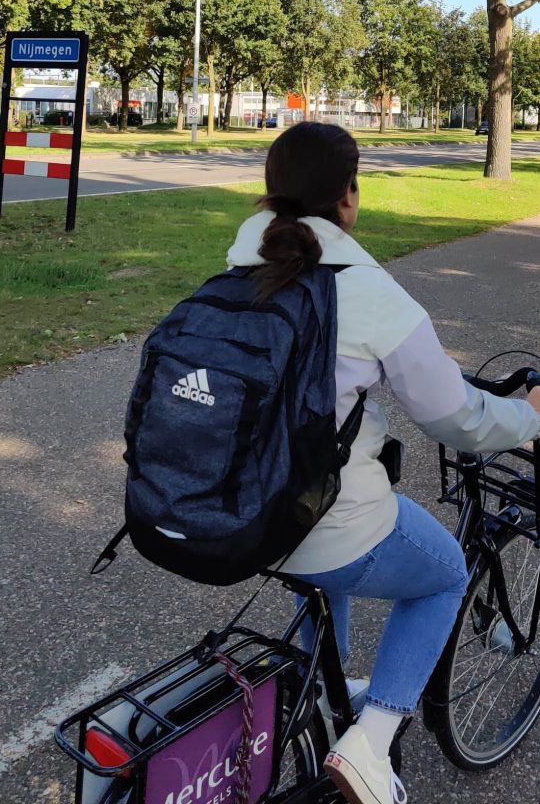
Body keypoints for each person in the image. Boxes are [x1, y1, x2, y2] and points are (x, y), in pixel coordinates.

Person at [226, 123, 540, 804]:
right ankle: (370, 743)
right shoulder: (368, 292)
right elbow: (452, 415)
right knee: (442, 577)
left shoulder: (237, 270)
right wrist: (531, 418)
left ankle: (320, 692)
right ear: (349, 194)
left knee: (322, 568)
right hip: (323, 518)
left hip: (242, 510)